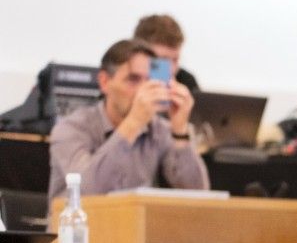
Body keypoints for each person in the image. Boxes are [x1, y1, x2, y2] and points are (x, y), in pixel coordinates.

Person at [48, 39, 209, 199]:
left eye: (150, 81)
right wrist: (133, 123)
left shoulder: (158, 129)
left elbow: (198, 196)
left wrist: (180, 131)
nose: (143, 90)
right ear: (104, 82)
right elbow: (88, 191)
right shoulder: (72, 128)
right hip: (81, 216)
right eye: (133, 79)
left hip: (135, 216)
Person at [133, 14, 200, 93]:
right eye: (163, 60)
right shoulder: (127, 82)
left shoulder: (187, 82)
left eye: (175, 60)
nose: (171, 70)